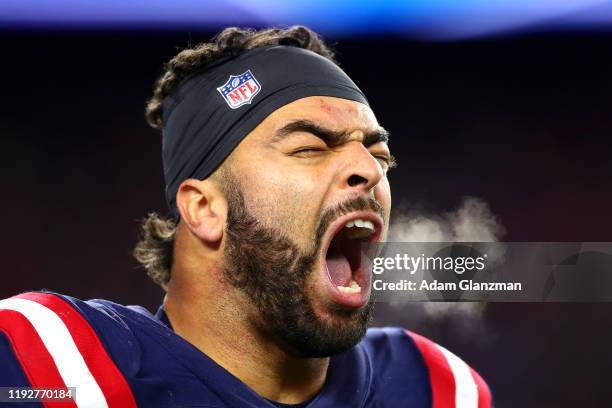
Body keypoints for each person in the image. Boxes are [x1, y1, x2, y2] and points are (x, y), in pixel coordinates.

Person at [0, 26, 492, 407]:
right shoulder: (53, 366)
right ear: (204, 208)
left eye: (378, 153)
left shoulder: (434, 387)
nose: (368, 170)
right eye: (310, 147)